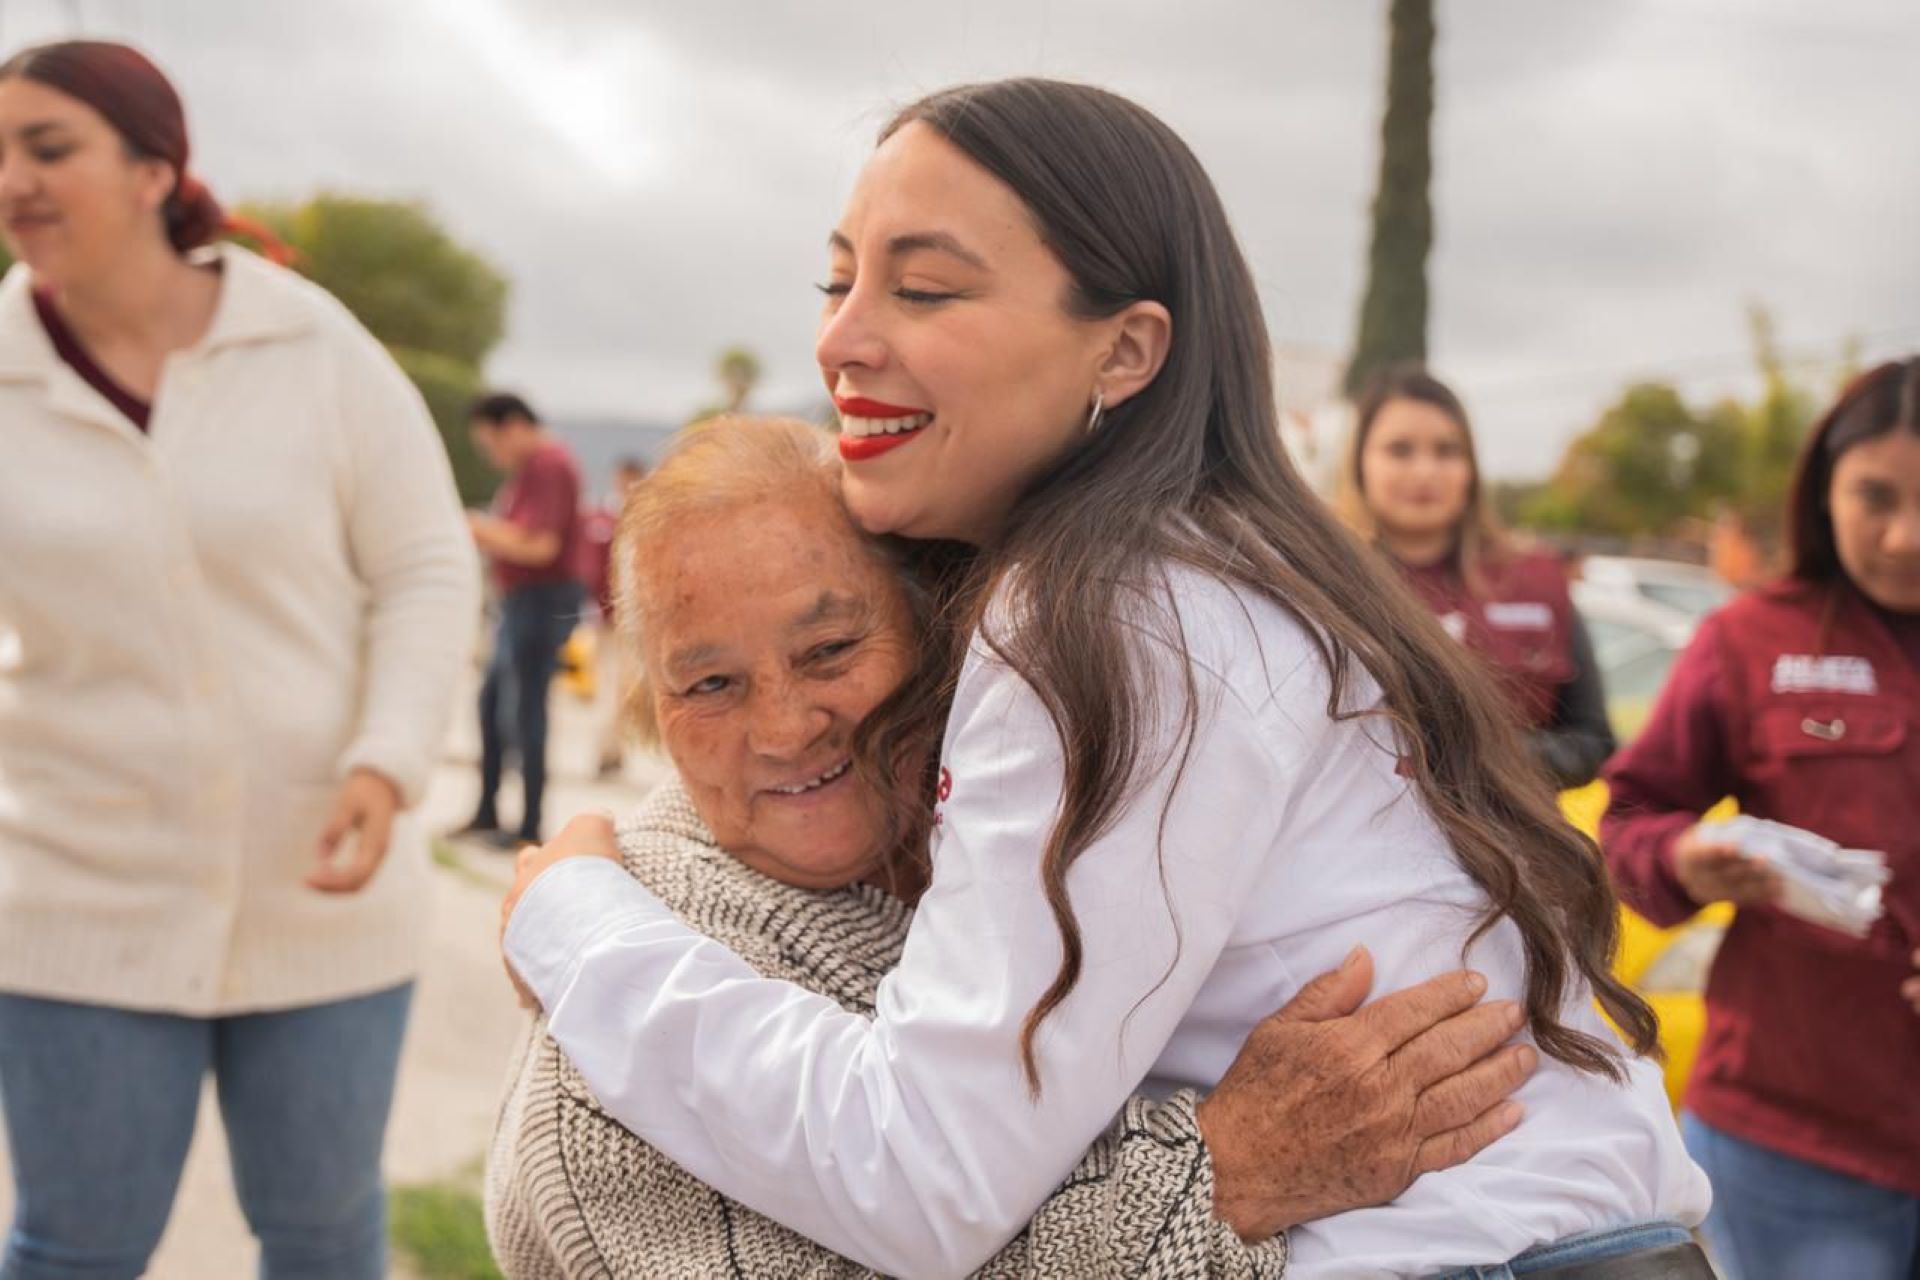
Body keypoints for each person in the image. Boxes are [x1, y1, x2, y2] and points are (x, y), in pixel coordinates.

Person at [501, 80, 1709, 1279]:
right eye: (839, 280)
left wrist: (577, 923)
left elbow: (923, 1175)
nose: (841, 337)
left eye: (922, 288)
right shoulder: (1218, 565)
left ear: (1127, 348)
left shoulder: (1110, 614)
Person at [485, 416, 1537, 1277]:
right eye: (709, 683)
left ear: (942, 636)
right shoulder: (603, 1068)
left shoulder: (1031, 840)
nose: (783, 724)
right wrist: (1230, 1171)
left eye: (830, 649)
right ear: (649, 706)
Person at [0, 40, 478, 1278]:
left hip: (323, 886)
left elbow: (425, 565)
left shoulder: (312, 345)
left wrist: (387, 761)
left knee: (321, 1235)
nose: (14, 180)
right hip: (72, 894)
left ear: (158, 167)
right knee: (74, 1248)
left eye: (47, 147)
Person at [1602, 357, 1920, 1280]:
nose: (1905, 536)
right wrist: (1685, 857)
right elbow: (1629, 819)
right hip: (1797, 1139)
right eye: (1875, 497)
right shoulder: (1748, 642)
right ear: (1824, 491)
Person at [1341, 365, 1615, 789]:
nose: (1425, 472)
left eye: (1447, 451)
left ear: (1471, 467)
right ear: (1360, 462)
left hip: (1509, 848)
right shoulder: (1326, 584)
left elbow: (1592, 742)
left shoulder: (1537, 581)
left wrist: (1484, 757)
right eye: (1400, 450)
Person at [464, 392, 586, 848]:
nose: (491, 455)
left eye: (489, 443)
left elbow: (540, 545)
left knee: (525, 710)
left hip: (541, 600)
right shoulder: (529, 472)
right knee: (492, 704)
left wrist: (478, 528)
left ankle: (528, 825)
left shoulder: (548, 465)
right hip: (519, 603)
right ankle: (488, 811)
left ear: (512, 425)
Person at [579, 454, 647, 778]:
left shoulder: (644, 519)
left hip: (633, 618)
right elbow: (591, 568)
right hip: (606, 617)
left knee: (624, 688)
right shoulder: (602, 518)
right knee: (608, 686)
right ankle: (606, 750)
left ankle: (615, 748)